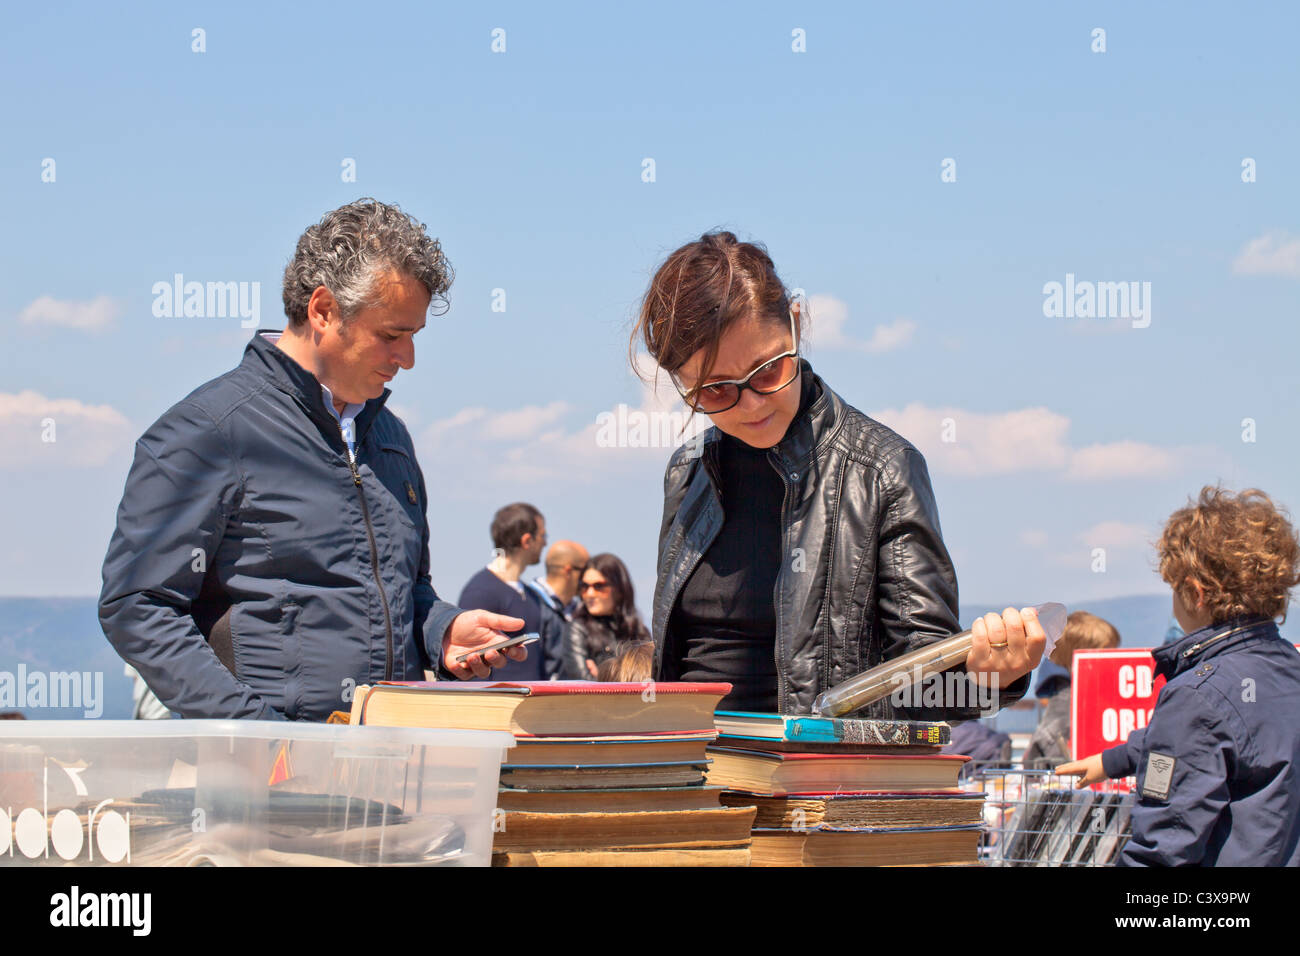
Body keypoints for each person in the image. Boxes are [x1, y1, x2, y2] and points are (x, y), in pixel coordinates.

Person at [98, 199, 527, 722]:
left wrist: (441, 631)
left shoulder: (390, 439)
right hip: (261, 789)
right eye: (391, 335)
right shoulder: (207, 431)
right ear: (323, 311)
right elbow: (137, 606)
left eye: (413, 337)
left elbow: (403, 592)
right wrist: (259, 738)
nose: (407, 359)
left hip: (391, 773)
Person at [635, 231, 1045, 716]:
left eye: (767, 372)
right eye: (716, 391)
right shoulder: (686, 472)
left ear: (796, 324)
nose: (750, 404)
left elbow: (920, 679)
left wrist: (990, 678)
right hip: (691, 773)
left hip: (815, 781)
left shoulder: (881, 469)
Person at [1057, 486, 1300, 866]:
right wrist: (1115, 758)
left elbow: (1163, 843)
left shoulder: (1194, 697)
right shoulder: (1287, 669)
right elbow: (1218, 738)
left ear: (1194, 593)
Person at [458, 503, 566, 681]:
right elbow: (470, 666)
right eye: (542, 535)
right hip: (496, 705)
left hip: (531, 703)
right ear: (527, 541)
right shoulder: (481, 591)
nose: (546, 542)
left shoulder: (531, 595)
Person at [1021, 611, 1120, 768]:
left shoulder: (1078, 696)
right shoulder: (1068, 701)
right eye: (1107, 654)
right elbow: (1053, 738)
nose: (1115, 661)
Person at [564, 554, 650, 679]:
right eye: (584, 587)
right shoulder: (577, 628)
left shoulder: (638, 629)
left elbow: (650, 675)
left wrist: (602, 675)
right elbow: (582, 683)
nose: (590, 593)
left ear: (619, 589)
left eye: (599, 586)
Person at [527, 541, 589, 621]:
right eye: (585, 570)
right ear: (568, 571)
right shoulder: (526, 601)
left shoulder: (581, 611)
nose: (588, 577)